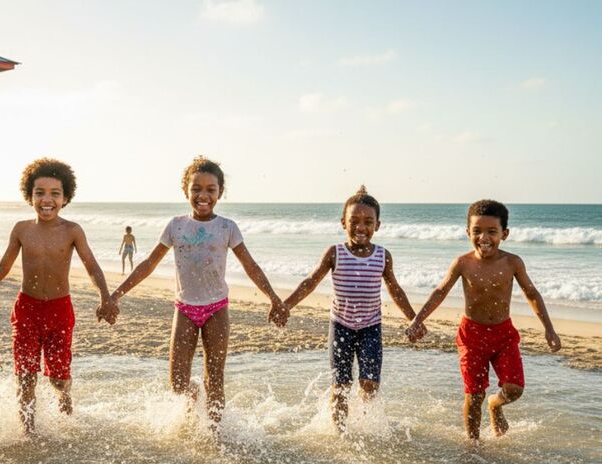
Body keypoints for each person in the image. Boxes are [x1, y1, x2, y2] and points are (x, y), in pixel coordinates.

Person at [110, 156, 287, 429]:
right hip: (185, 310)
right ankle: (195, 399)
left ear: (220, 193)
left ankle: (214, 435)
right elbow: (148, 264)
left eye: (210, 189)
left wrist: (274, 299)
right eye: (196, 189)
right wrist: (116, 294)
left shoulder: (227, 227)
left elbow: (249, 265)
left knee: (215, 377)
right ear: (186, 191)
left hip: (217, 308)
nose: (203, 195)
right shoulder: (176, 226)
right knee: (178, 383)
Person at [0, 158, 118, 435]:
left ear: (65, 197)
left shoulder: (72, 231)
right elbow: (2, 267)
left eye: (55, 194)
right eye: (40, 193)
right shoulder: (22, 230)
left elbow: (91, 266)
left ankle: (65, 396)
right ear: (29, 196)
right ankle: (28, 431)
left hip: (60, 310)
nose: (47, 200)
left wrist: (105, 297)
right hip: (27, 309)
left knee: (57, 377)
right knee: (26, 374)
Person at [406, 199, 561, 441]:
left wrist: (549, 330)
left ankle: (495, 405)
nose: (483, 237)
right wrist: (417, 319)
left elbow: (531, 293)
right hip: (472, 336)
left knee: (514, 389)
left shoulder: (512, 263)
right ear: (468, 232)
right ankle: (473, 444)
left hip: (503, 335)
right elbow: (440, 291)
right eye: (477, 231)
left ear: (504, 234)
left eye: (492, 231)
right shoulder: (463, 263)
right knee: (473, 395)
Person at [282, 186, 425, 433]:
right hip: (340, 327)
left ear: (378, 225)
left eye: (368, 222)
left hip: (371, 327)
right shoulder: (334, 253)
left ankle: (364, 427)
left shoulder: (382, 256)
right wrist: (285, 306)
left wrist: (414, 319)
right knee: (341, 384)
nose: (361, 227)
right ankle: (340, 433)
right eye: (354, 221)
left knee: (370, 383)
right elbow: (310, 282)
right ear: (343, 223)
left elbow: (396, 291)